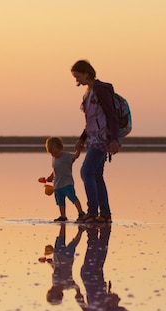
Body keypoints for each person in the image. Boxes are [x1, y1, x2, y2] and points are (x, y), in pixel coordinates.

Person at [71, 60, 120, 224]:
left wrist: (114, 139)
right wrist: (82, 139)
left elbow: (111, 115)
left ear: (86, 73)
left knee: (86, 172)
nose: (77, 81)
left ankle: (93, 212)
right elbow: (91, 120)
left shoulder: (100, 89)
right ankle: (104, 214)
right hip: (93, 139)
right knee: (96, 175)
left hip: (102, 139)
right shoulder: (88, 92)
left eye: (78, 77)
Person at [43, 136, 86, 222]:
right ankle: (63, 216)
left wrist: (79, 150)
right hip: (57, 184)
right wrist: (51, 177)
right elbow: (55, 169)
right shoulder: (54, 159)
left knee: (73, 197)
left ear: (60, 148)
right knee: (60, 201)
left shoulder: (66, 156)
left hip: (67, 183)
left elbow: (75, 156)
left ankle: (81, 213)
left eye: (56, 152)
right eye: (52, 153)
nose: (54, 155)